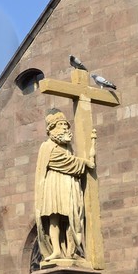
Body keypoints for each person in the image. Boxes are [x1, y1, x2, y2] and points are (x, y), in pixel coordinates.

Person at [34, 109, 94, 262]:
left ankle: (71, 252)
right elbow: (60, 161)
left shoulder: (68, 147)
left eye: (66, 125)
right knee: (54, 218)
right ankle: (56, 250)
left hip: (69, 186)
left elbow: (70, 163)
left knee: (71, 218)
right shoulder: (46, 147)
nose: (65, 128)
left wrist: (79, 163)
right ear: (52, 129)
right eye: (61, 125)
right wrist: (84, 162)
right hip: (53, 186)